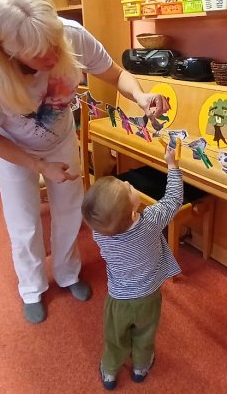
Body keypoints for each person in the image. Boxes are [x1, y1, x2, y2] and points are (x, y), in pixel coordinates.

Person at [0, 0, 169, 324]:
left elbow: (116, 74)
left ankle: (68, 273)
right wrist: (39, 165)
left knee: (70, 209)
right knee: (24, 221)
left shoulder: (70, 35)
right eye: (41, 53)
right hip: (13, 148)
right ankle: (32, 287)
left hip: (60, 138)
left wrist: (141, 97)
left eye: (55, 43)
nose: (54, 56)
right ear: (8, 51)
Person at [81, 146, 182, 390]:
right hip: (149, 297)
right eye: (128, 189)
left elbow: (101, 217)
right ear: (134, 212)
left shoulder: (100, 234)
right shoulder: (151, 222)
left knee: (115, 338)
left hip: (118, 300)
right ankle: (140, 368)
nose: (128, 183)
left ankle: (109, 371)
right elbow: (173, 200)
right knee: (145, 334)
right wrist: (172, 165)